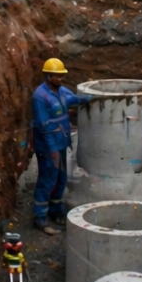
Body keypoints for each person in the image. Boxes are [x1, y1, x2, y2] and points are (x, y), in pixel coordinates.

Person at [30, 58, 91, 234]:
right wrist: (52, 150)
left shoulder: (61, 91)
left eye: (62, 75)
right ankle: (40, 218)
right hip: (49, 148)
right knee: (47, 180)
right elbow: (43, 125)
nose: (61, 79)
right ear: (48, 76)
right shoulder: (40, 97)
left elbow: (72, 100)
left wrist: (88, 99)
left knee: (61, 178)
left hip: (61, 143)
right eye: (57, 76)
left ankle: (56, 212)